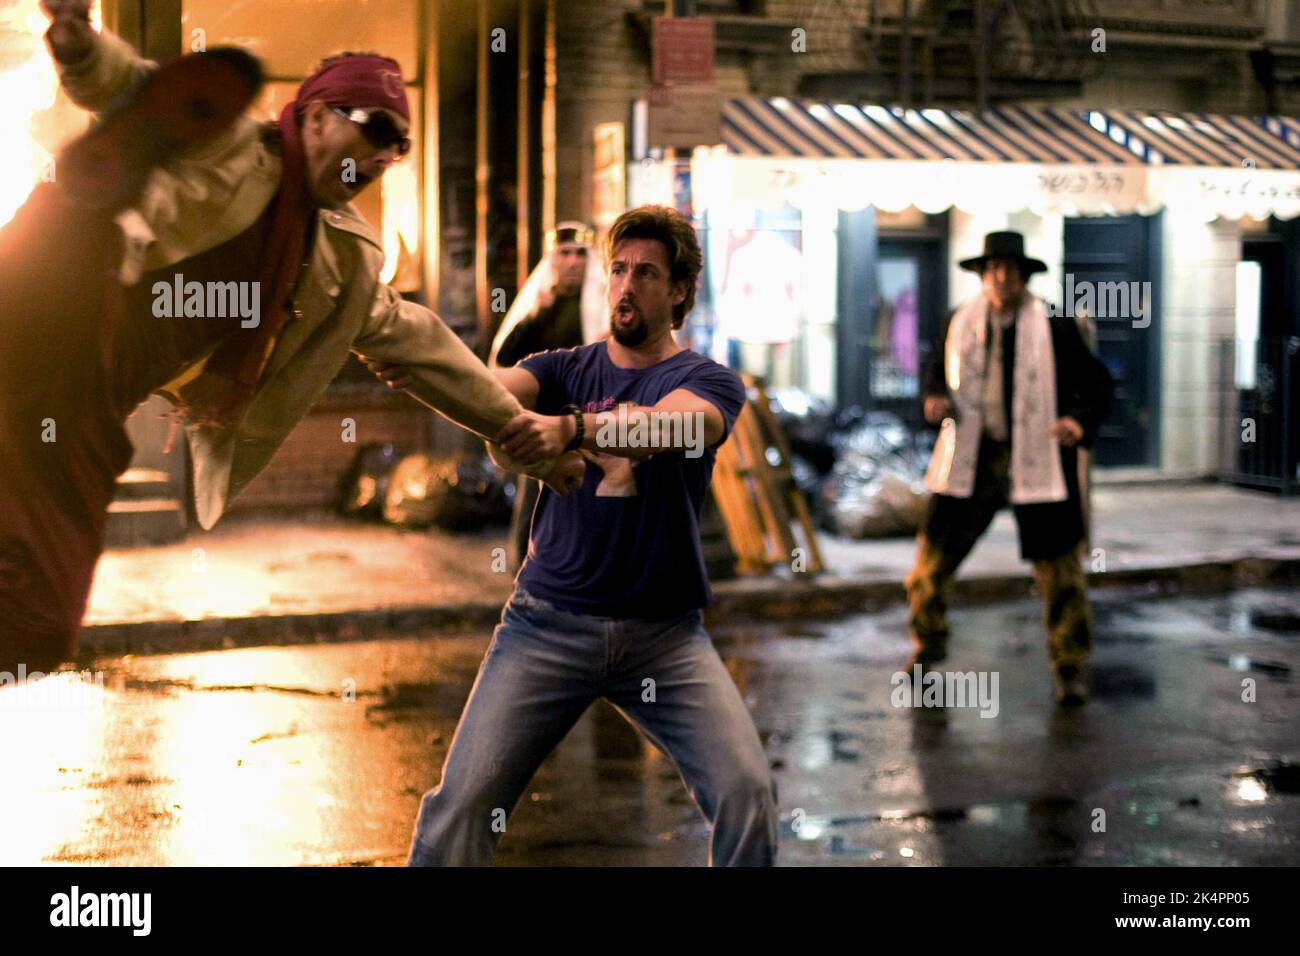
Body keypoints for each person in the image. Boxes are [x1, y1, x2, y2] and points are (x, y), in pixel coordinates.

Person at [0, 2, 580, 678]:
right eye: (375, 129)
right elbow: (131, 84)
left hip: (89, 407)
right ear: (312, 116)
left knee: (36, 624)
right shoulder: (232, 146)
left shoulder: (343, 262)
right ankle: (75, 215)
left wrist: (526, 439)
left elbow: (424, 349)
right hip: (64, 321)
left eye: (399, 147)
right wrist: (78, 48)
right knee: (51, 274)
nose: (384, 156)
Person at [373, 204, 779, 865]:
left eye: (646, 273)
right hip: (547, 627)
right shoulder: (563, 367)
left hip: (664, 639)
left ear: (678, 292)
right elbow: (482, 391)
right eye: (618, 269)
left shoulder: (705, 379)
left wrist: (573, 430)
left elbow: (679, 428)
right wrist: (416, 363)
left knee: (748, 793)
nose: (626, 285)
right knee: (463, 807)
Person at [907, 231, 1113, 705]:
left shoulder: (1056, 324)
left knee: (1062, 570)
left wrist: (1077, 422)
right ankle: (925, 648)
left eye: (1010, 269)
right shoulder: (959, 321)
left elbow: (1098, 386)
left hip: (1038, 458)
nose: (1001, 278)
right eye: (993, 269)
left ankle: (1070, 665)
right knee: (930, 563)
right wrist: (934, 397)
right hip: (972, 457)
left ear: (1023, 275)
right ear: (983, 275)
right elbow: (935, 371)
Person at [488, 221, 606, 568]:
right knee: (534, 505)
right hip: (545, 419)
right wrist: (536, 315)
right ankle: (527, 574)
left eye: (580, 254)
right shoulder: (541, 304)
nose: (572, 262)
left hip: (592, 422)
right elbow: (505, 359)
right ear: (553, 260)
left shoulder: (604, 307)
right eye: (565, 253)